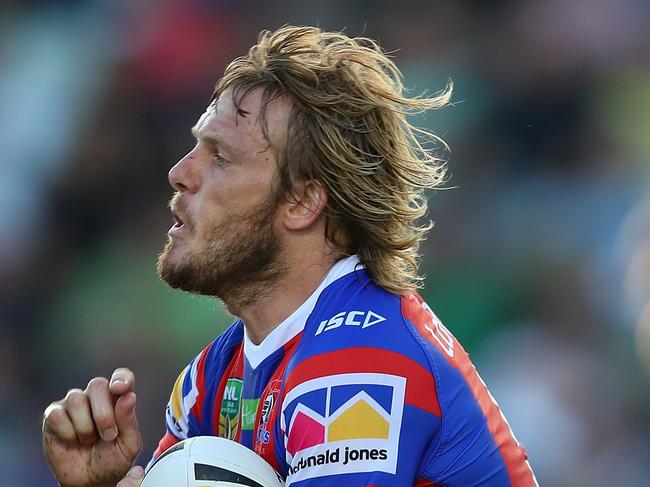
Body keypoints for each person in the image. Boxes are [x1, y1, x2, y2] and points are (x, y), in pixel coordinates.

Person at [42, 26, 538, 486]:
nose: (179, 172)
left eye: (221, 157)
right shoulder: (212, 377)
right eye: (195, 148)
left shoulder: (357, 367)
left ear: (302, 202)